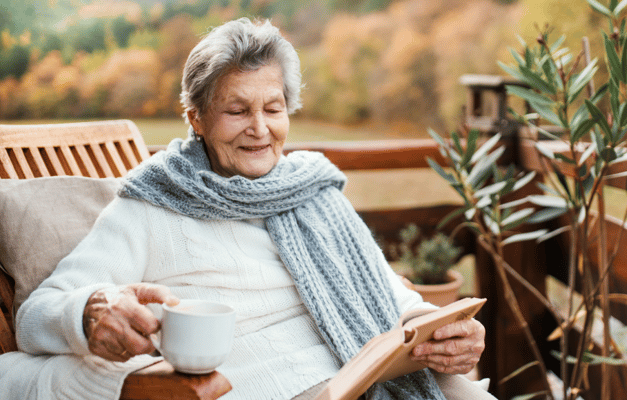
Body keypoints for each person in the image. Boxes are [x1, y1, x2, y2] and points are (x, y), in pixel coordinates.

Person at [3, 18, 495, 400]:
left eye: (273, 109)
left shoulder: (313, 191)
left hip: (367, 373)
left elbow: (387, 295)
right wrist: (90, 312)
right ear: (196, 118)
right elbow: (36, 316)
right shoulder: (152, 206)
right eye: (237, 110)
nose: (259, 128)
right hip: (276, 386)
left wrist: (443, 330)